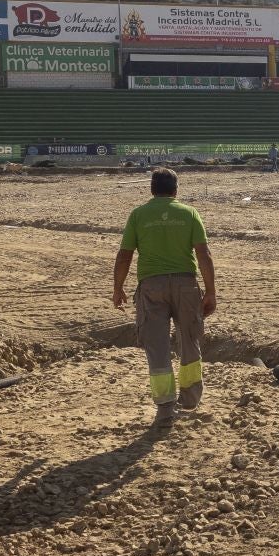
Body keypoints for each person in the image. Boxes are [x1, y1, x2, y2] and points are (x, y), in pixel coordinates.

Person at [113, 167, 217, 422]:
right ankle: (189, 401)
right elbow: (203, 254)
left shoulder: (138, 215)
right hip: (186, 286)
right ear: (175, 190)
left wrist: (118, 288)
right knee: (189, 341)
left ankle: (165, 407)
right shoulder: (189, 213)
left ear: (152, 189)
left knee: (157, 347)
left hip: (151, 288)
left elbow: (124, 255)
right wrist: (211, 291)